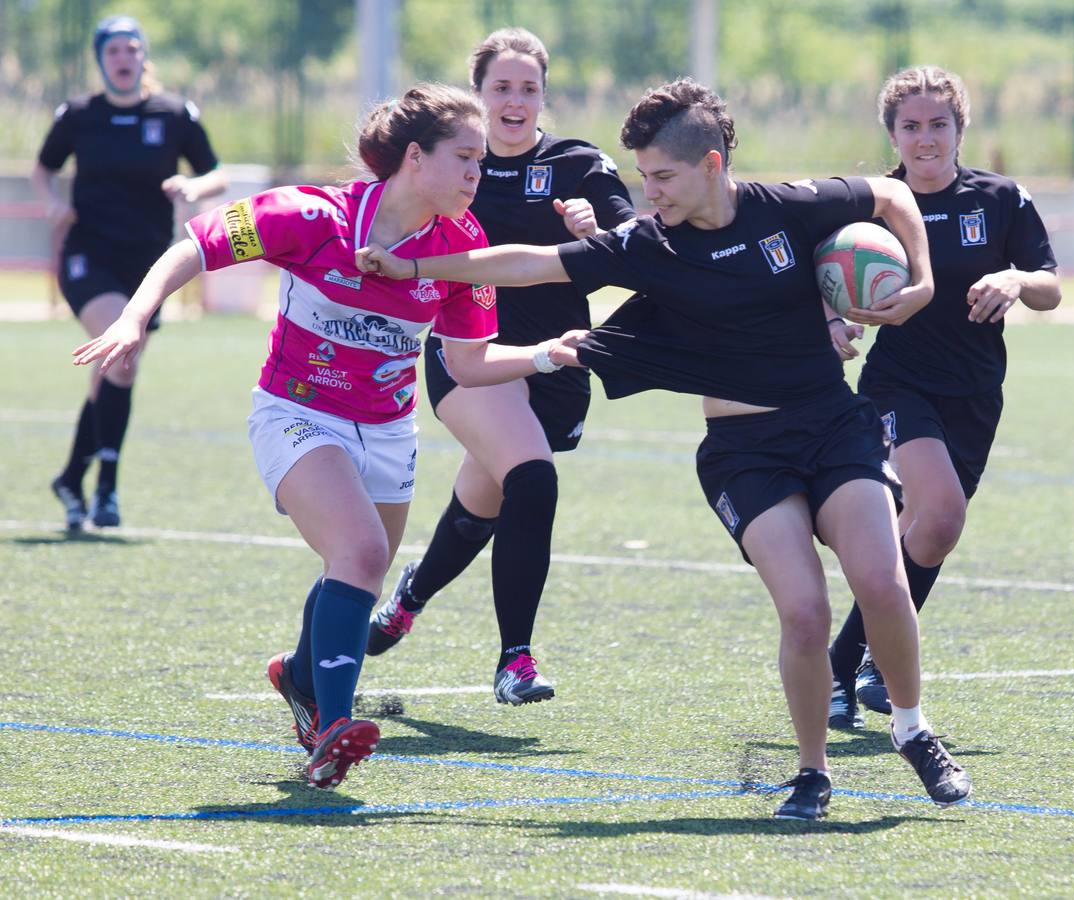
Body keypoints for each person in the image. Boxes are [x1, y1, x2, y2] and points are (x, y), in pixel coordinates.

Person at [357, 78, 974, 821]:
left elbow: (890, 196)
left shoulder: (789, 206)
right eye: (642, 177)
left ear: (711, 165)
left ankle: (911, 728)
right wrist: (418, 268)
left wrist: (923, 278)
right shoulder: (648, 245)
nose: (647, 192)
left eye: (661, 177)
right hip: (743, 452)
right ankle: (811, 773)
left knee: (881, 583)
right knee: (805, 611)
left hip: (832, 426)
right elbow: (532, 262)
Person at [71, 83, 580, 790]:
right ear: (413, 157)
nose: (477, 173)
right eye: (464, 156)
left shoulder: (462, 246)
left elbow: (466, 363)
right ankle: (331, 729)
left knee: (356, 571)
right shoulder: (312, 215)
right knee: (363, 550)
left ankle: (300, 675)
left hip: (387, 429)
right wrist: (134, 316)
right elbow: (196, 245)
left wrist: (546, 354)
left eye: (482, 160)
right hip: (295, 412)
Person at [365, 28, 637, 706]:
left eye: (528, 88)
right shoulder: (455, 165)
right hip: (467, 358)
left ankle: (409, 597)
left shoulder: (578, 166)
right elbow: (392, 221)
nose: (515, 101)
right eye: (500, 88)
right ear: (478, 94)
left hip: (557, 361)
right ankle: (514, 659)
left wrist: (591, 234)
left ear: (544, 95)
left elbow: (635, 246)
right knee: (532, 481)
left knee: (480, 503)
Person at [826, 66, 1061, 728]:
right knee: (936, 508)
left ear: (959, 129)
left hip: (976, 393)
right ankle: (863, 664)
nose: (924, 139)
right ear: (891, 134)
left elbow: (1049, 286)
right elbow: (822, 275)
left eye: (938, 125)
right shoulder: (871, 205)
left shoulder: (998, 200)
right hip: (898, 384)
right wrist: (830, 317)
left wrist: (1014, 279)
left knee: (935, 530)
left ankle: (844, 662)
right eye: (910, 126)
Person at [32, 15, 226, 531]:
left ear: (143, 57)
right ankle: (106, 490)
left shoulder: (173, 112)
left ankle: (74, 479)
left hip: (148, 263)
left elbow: (215, 172)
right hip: (88, 255)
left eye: (132, 49)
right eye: (114, 50)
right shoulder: (78, 115)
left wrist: (194, 188)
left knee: (116, 366)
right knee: (120, 356)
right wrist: (52, 203)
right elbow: (43, 167)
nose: (124, 57)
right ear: (101, 59)